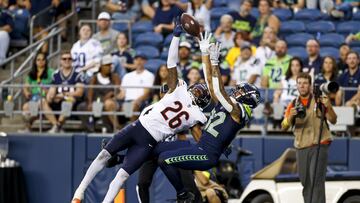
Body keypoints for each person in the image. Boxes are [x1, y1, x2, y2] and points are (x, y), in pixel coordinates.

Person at [71, 20, 211, 203]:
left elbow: (171, 61)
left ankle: (86, 192)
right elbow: (203, 135)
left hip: (148, 139)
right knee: (106, 157)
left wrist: (176, 36)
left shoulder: (184, 96)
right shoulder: (195, 113)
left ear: (200, 99)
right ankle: (79, 194)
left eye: (200, 91)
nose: (197, 89)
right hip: (141, 130)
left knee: (120, 174)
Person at [154, 33, 261, 202]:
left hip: (205, 155)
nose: (237, 91)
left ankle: (183, 195)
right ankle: (120, 158)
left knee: (164, 160)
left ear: (248, 98)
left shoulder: (238, 111)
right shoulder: (229, 105)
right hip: (200, 148)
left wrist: (215, 62)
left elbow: (219, 91)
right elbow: (211, 85)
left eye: (241, 91)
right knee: (156, 148)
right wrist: (205, 54)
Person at [281, 72, 337, 203]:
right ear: (296, 86)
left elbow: (333, 120)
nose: (302, 86)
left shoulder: (320, 99)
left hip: (319, 144)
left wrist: (328, 106)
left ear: (310, 85)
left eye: (305, 83)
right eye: (299, 83)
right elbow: (283, 126)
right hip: (301, 147)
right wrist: (291, 116)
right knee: (305, 182)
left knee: (316, 180)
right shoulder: (293, 103)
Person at [77, 54, 121, 132]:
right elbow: (90, 90)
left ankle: (114, 128)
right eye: (107, 65)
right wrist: (90, 102)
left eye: (110, 65)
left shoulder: (115, 77)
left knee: (105, 106)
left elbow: (117, 89)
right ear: (101, 67)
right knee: (81, 107)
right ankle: (90, 128)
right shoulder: (95, 77)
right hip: (97, 101)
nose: (109, 67)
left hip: (111, 102)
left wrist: (112, 93)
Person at [45, 50, 85, 133]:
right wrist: (51, 96)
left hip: (72, 102)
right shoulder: (55, 74)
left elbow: (79, 92)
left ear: (72, 61)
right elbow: (52, 91)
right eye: (64, 59)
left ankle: (58, 125)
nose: (67, 61)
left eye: (69, 59)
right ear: (60, 61)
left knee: (69, 101)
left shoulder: (77, 74)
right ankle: (56, 125)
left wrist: (63, 95)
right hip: (58, 100)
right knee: (42, 101)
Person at [20, 52, 54, 132]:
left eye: (43, 59)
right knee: (25, 107)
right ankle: (28, 128)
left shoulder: (51, 72)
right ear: (35, 62)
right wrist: (26, 92)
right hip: (34, 97)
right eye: (38, 60)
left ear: (46, 61)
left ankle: (56, 125)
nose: (41, 61)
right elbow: (26, 86)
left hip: (46, 97)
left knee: (38, 104)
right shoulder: (32, 73)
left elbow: (55, 85)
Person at [117, 53, 154, 121]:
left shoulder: (149, 75)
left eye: (141, 60)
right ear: (134, 61)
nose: (139, 62)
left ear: (145, 61)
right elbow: (122, 93)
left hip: (141, 102)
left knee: (131, 106)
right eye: (136, 59)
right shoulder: (127, 76)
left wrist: (135, 101)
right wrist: (115, 98)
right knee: (109, 104)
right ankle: (117, 128)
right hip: (126, 102)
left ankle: (132, 129)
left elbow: (146, 93)